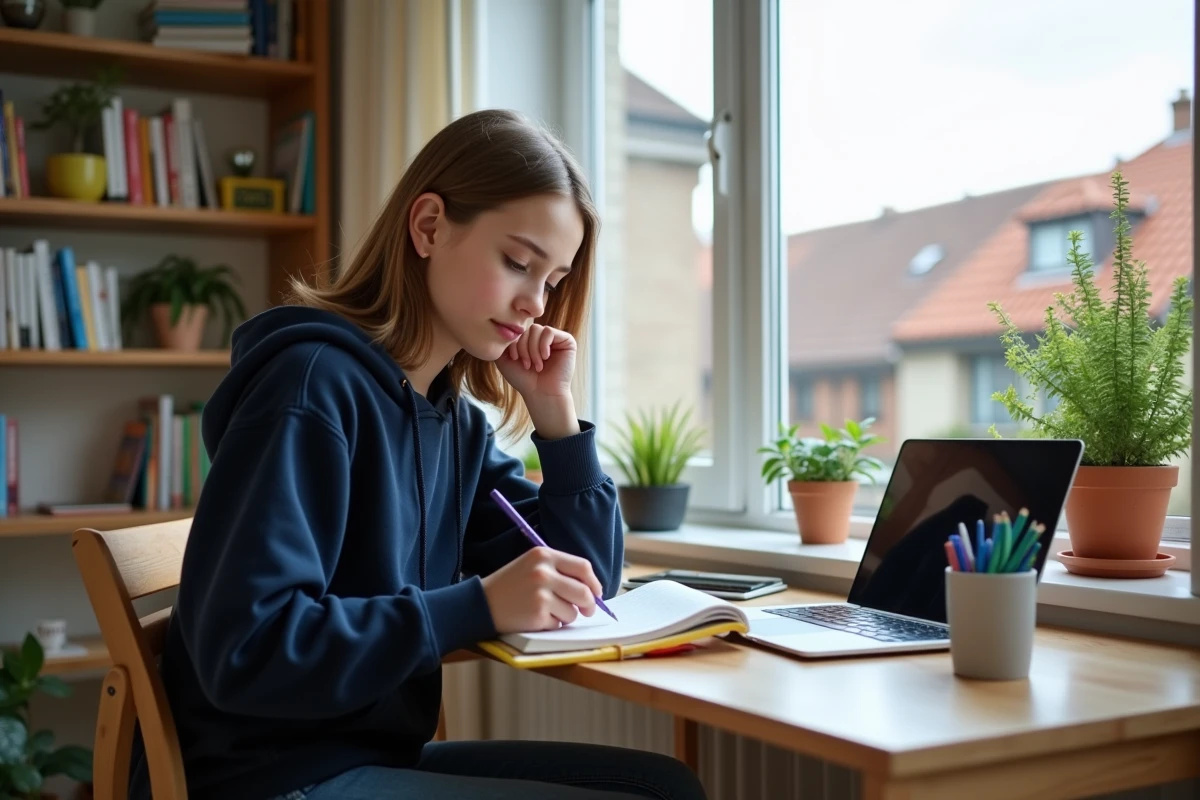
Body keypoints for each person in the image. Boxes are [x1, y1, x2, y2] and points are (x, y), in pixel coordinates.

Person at [136, 109, 708, 800]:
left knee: (664, 786)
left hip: (371, 759)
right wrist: (474, 605)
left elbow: (591, 584)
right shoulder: (310, 388)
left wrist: (556, 422)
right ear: (429, 226)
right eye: (518, 263)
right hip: (273, 780)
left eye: (552, 280)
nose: (535, 303)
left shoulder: (452, 421)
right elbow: (248, 650)